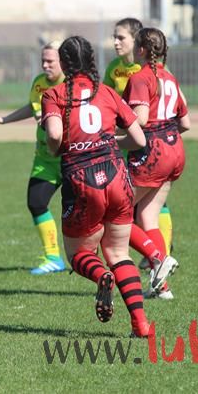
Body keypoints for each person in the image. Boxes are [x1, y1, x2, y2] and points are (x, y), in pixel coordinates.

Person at [42, 35, 152, 338]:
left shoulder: (54, 94)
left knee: (78, 253)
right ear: (91, 60)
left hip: (81, 179)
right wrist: (109, 143)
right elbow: (139, 139)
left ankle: (101, 275)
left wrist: (57, 148)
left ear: (64, 63)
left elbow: (54, 135)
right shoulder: (106, 92)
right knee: (118, 252)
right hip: (116, 175)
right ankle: (141, 323)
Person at [0, 40, 66, 274]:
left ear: (63, 62)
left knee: (84, 210)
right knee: (36, 202)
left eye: (50, 61)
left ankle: (96, 257)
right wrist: (4, 119)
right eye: (43, 61)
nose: (45, 65)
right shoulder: (39, 82)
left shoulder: (71, 85)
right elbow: (32, 107)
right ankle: (53, 258)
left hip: (70, 158)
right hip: (45, 159)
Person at [122, 27, 190, 300]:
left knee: (116, 216)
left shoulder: (140, 77)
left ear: (140, 50)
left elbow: (139, 119)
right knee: (147, 216)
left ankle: (158, 259)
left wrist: (114, 137)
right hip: (174, 148)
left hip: (152, 152)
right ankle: (162, 287)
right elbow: (185, 122)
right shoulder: (170, 77)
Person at [104, 17, 174, 262]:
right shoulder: (115, 68)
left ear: (138, 44)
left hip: (147, 148)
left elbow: (143, 118)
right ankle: (159, 266)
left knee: (123, 209)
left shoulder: (145, 73)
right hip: (144, 146)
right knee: (143, 211)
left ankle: (159, 254)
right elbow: (106, 98)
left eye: (121, 37)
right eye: (114, 37)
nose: (116, 42)